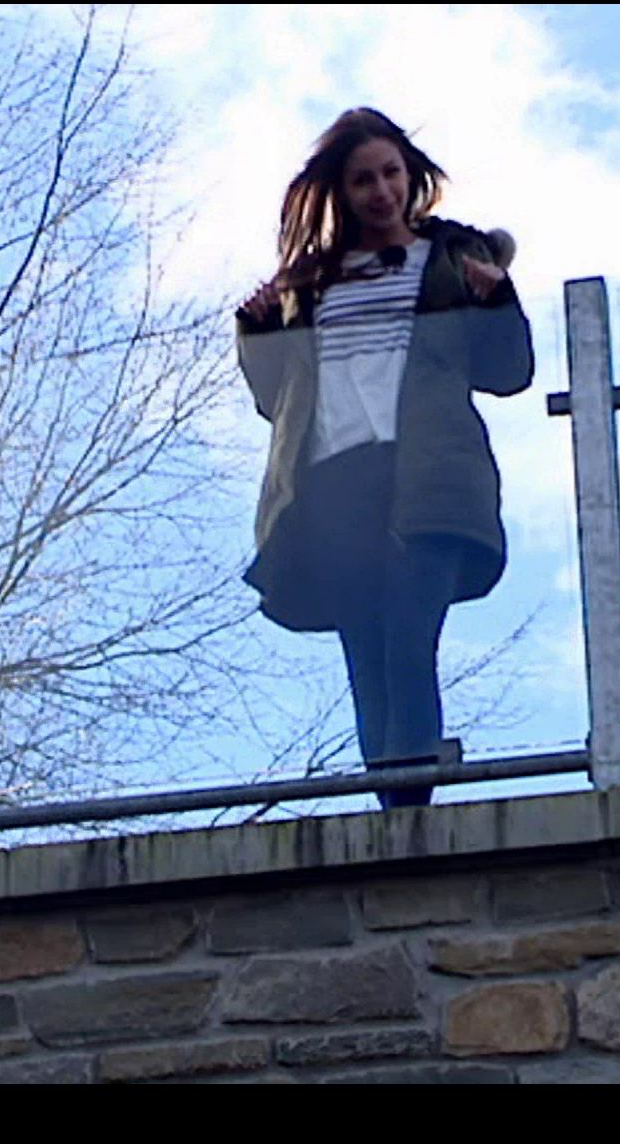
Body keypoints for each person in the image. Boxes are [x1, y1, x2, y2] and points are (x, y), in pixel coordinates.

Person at [233, 107, 533, 811]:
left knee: (409, 644)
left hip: (429, 476)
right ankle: (394, 819)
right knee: (367, 662)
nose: (381, 191)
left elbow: (508, 370)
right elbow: (278, 401)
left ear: (411, 175)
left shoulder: (451, 259)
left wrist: (497, 298)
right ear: (341, 191)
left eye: (391, 173)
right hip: (335, 482)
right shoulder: (310, 282)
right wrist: (257, 328)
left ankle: (411, 817)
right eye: (363, 179)